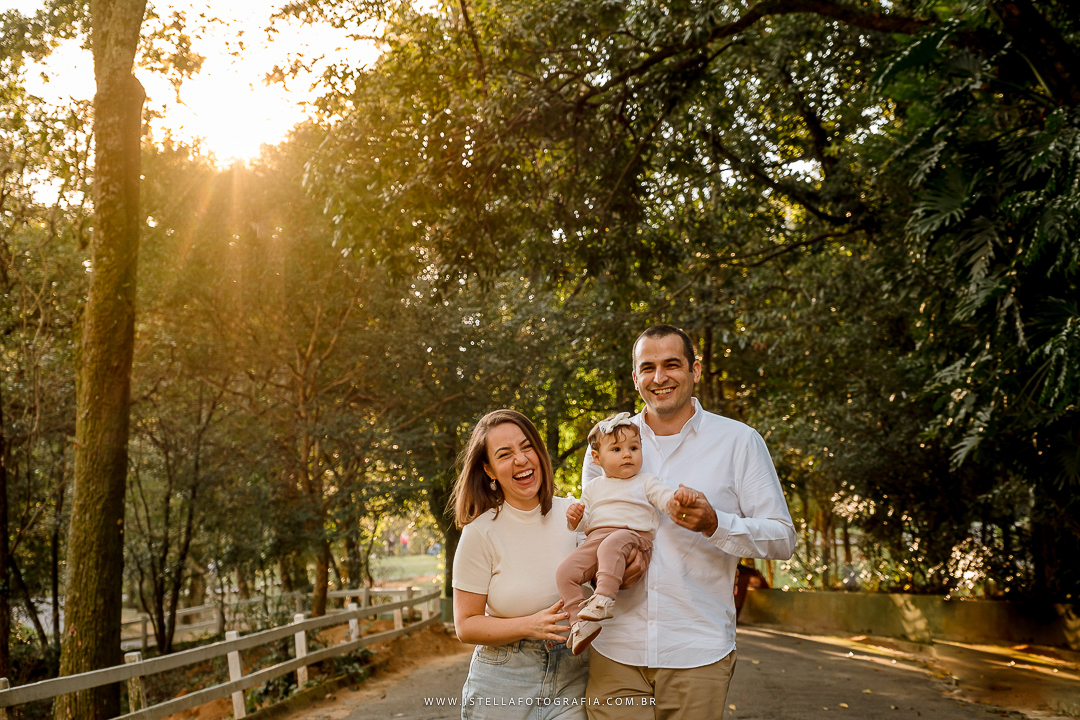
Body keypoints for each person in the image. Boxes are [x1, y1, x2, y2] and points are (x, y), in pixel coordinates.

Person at [582, 325, 796, 720]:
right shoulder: (606, 443)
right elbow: (589, 532)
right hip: (615, 649)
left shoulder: (739, 442)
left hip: (697, 651)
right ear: (635, 377)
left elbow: (783, 539)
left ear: (695, 370)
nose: (659, 378)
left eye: (671, 365)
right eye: (648, 367)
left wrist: (716, 524)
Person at [451, 409, 589, 720]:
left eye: (527, 447)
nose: (521, 459)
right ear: (489, 470)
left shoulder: (577, 515)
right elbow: (466, 624)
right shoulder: (479, 533)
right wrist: (531, 625)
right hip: (502, 681)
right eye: (505, 454)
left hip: (573, 673)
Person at [556, 412, 699, 655]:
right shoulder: (592, 487)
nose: (627, 454)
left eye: (634, 447)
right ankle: (579, 624)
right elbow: (586, 523)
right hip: (597, 538)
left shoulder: (645, 481)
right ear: (596, 458)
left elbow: (664, 499)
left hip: (633, 537)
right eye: (616, 449)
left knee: (611, 544)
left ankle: (603, 599)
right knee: (565, 572)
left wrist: (677, 500)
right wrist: (576, 519)